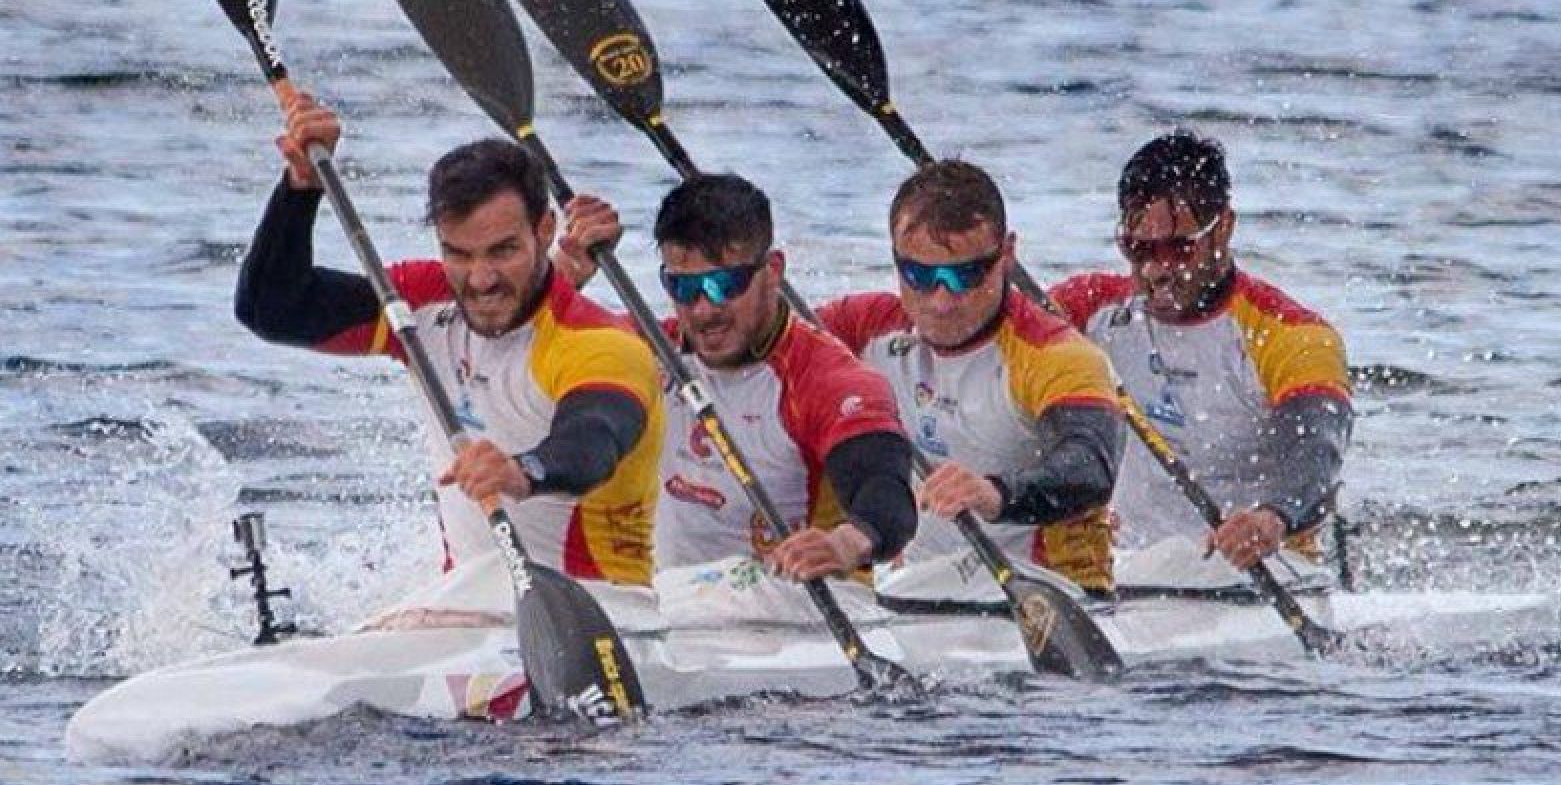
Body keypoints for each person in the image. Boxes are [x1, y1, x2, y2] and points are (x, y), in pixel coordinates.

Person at [234, 92, 663, 585]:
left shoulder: (600, 343)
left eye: (503, 251)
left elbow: (593, 442)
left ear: (545, 230)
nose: (479, 280)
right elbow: (271, 308)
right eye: (458, 254)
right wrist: (301, 187)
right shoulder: (421, 303)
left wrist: (523, 472)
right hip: (465, 610)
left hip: (598, 607)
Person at [557, 174, 918, 583]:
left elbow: (885, 494)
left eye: (724, 284)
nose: (705, 309)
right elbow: (514, 349)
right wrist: (567, 272)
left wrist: (846, 543)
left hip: (796, 613)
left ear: (773, 270)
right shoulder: (649, 351)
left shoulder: (825, 376)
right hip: (678, 605)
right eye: (683, 286)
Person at [816, 160, 1125, 597]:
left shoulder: (1057, 355)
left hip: (1051, 598)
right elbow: (757, 345)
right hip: (917, 595)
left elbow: (1090, 467)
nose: (941, 302)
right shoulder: (865, 328)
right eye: (919, 276)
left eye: (964, 276)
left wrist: (993, 494)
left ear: (1006, 256)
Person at [1050, 129, 1352, 574]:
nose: (1155, 270)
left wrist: (1273, 516)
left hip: (1257, 573)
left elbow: (1318, 448)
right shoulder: (1088, 308)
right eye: (1139, 249)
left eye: (1179, 249)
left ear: (1224, 228)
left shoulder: (1291, 335)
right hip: (1129, 571)